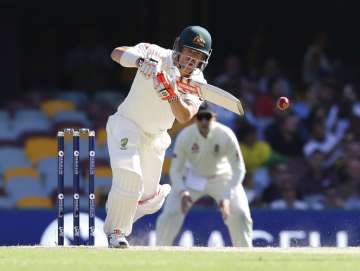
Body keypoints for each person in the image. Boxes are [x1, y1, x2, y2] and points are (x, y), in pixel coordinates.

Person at [105, 26, 212, 248]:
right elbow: (116, 53)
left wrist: (172, 95)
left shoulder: (198, 83)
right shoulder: (155, 53)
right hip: (127, 125)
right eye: (189, 52)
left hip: (155, 138)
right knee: (130, 177)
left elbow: (184, 116)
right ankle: (116, 233)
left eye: (198, 56)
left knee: (151, 199)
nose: (192, 59)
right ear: (178, 47)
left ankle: (120, 208)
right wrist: (140, 62)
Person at [156, 103, 253, 247]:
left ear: (215, 118)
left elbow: (239, 168)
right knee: (170, 214)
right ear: (195, 119)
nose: (204, 121)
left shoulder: (226, 135)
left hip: (222, 178)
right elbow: (175, 170)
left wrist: (226, 196)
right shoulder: (186, 136)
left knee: (240, 214)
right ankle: (159, 251)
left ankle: (245, 255)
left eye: (207, 117)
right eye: (200, 117)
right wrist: (183, 192)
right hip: (193, 178)